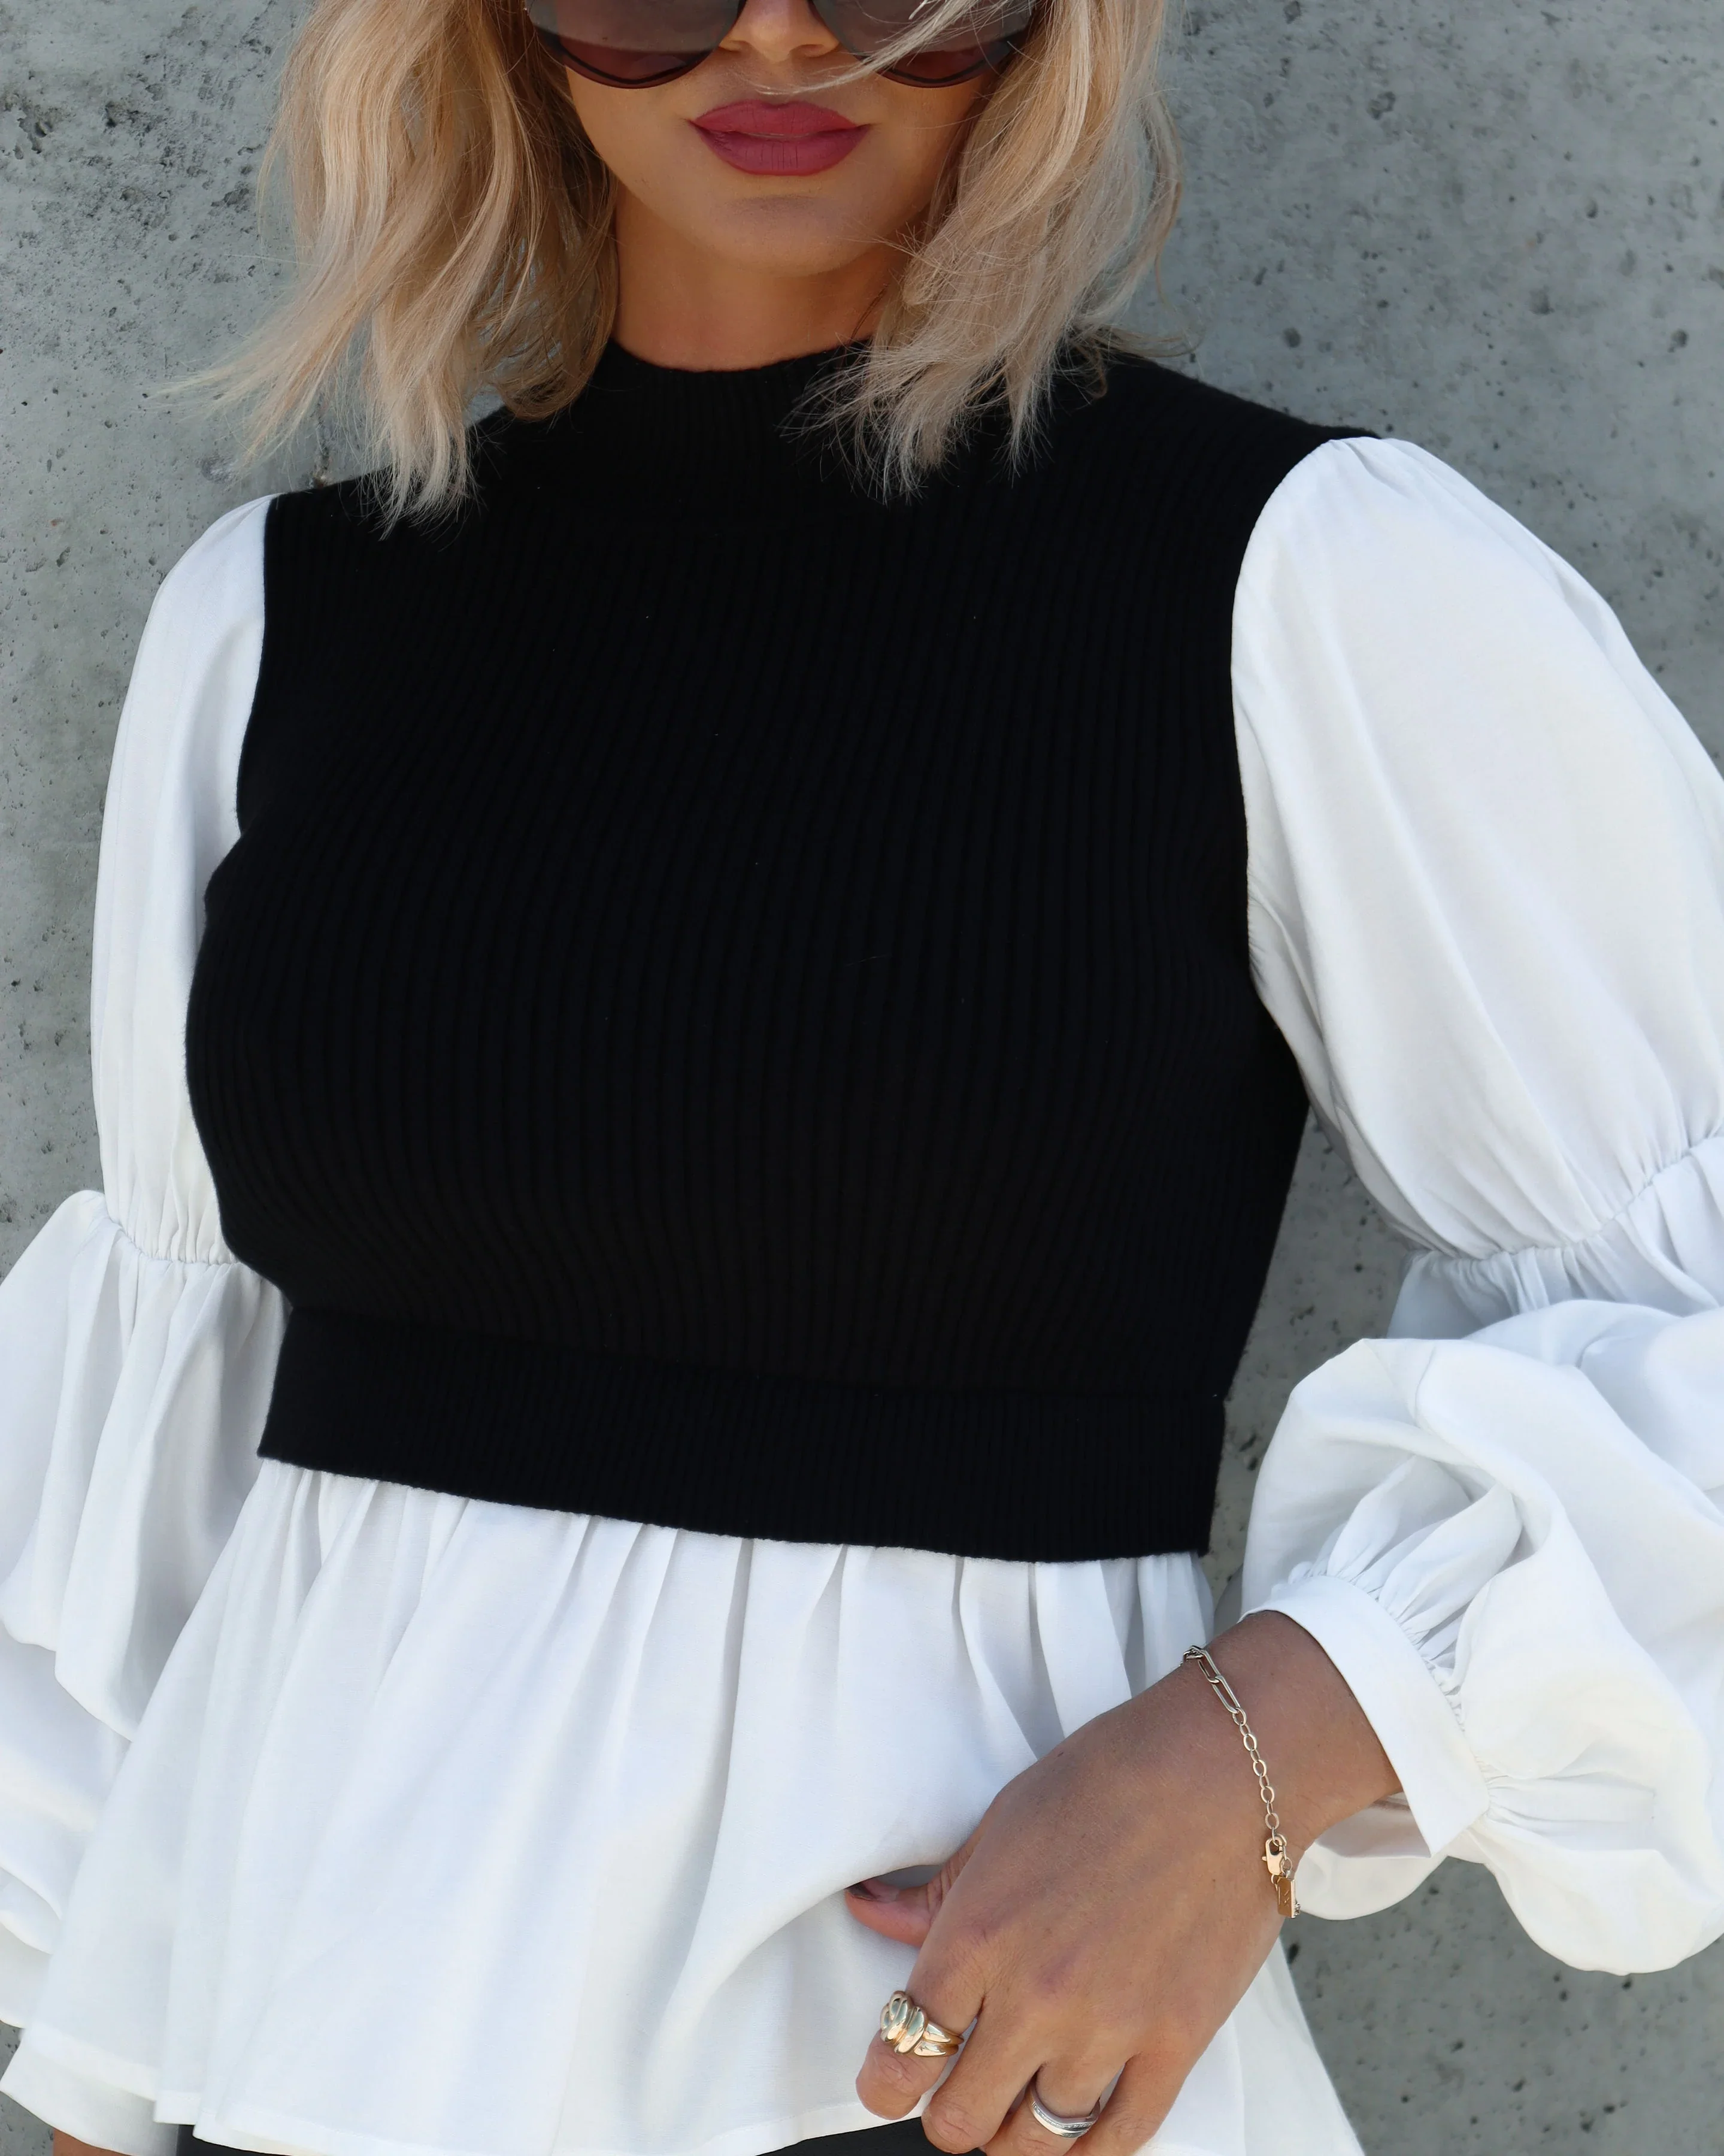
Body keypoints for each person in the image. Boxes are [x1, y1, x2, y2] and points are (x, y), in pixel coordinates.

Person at [1, 2, 1721, 2154]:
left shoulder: (1301, 576)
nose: (782, 32)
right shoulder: (275, 622)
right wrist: (97, 2085)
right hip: (284, 2067)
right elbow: (157, 1510)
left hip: (941, 2086)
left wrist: (1253, 1759)